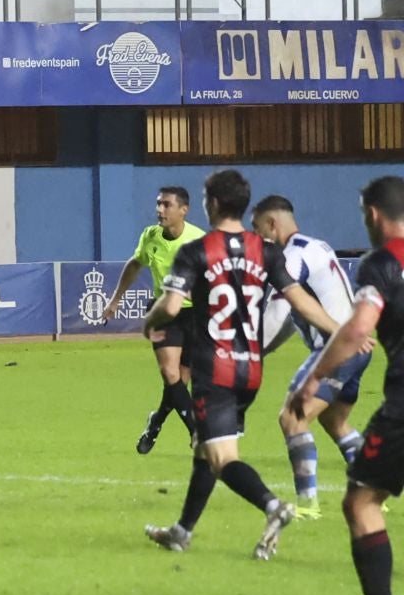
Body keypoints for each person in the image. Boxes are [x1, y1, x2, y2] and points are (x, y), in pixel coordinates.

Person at [142, 170, 337, 558]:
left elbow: (172, 306)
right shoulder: (265, 250)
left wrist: (149, 322)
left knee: (222, 458)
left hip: (215, 367)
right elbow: (299, 300)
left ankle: (272, 506)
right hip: (251, 369)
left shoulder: (196, 251)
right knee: (205, 447)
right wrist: (340, 330)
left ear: (210, 203)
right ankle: (182, 531)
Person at [291, 176, 404, 595]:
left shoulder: (381, 263)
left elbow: (359, 330)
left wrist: (316, 375)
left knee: (361, 501)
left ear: (373, 214)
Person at [253, 196, 370, 520]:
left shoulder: (291, 257)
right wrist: (264, 349)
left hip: (337, 350)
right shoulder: (316, 246)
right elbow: (295, 314)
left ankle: (308, 505)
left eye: (257, 227)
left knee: (292, 418)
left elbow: (278, 312)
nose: (256, 236)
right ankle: (376, 491)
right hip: (357, 348)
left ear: (272, 224)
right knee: (336, 422)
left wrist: (249, 352)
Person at [105, 187, 204, 454]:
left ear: (183, 210)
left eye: (166, 205)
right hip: (162, 312)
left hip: (195, 314)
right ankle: (196, 430)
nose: (160, 210)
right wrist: (116, 300)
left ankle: (156, 421)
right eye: (158, 204)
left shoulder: (199, 241)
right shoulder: (150, 236)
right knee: (170, 373)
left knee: (179, 383)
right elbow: (135, 264)